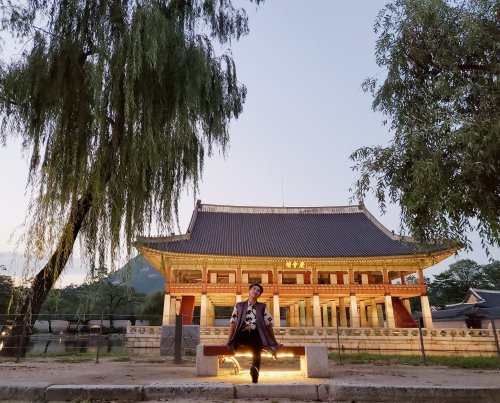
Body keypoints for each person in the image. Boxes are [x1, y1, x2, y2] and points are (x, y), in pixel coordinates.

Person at [225, 282, 282, 383]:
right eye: (254, 289)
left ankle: (254, 373)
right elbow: (233, 323)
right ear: (249, 291)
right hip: (241, 333)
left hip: (256, 333)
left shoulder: (262, 307)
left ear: (259, 295)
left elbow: (268, 324)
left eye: (258, 291)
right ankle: (255, 368)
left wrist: (274, 341)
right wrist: (228, 340)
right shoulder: (239, 306)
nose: (256, 291)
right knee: (255, 347)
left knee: (257, 348)